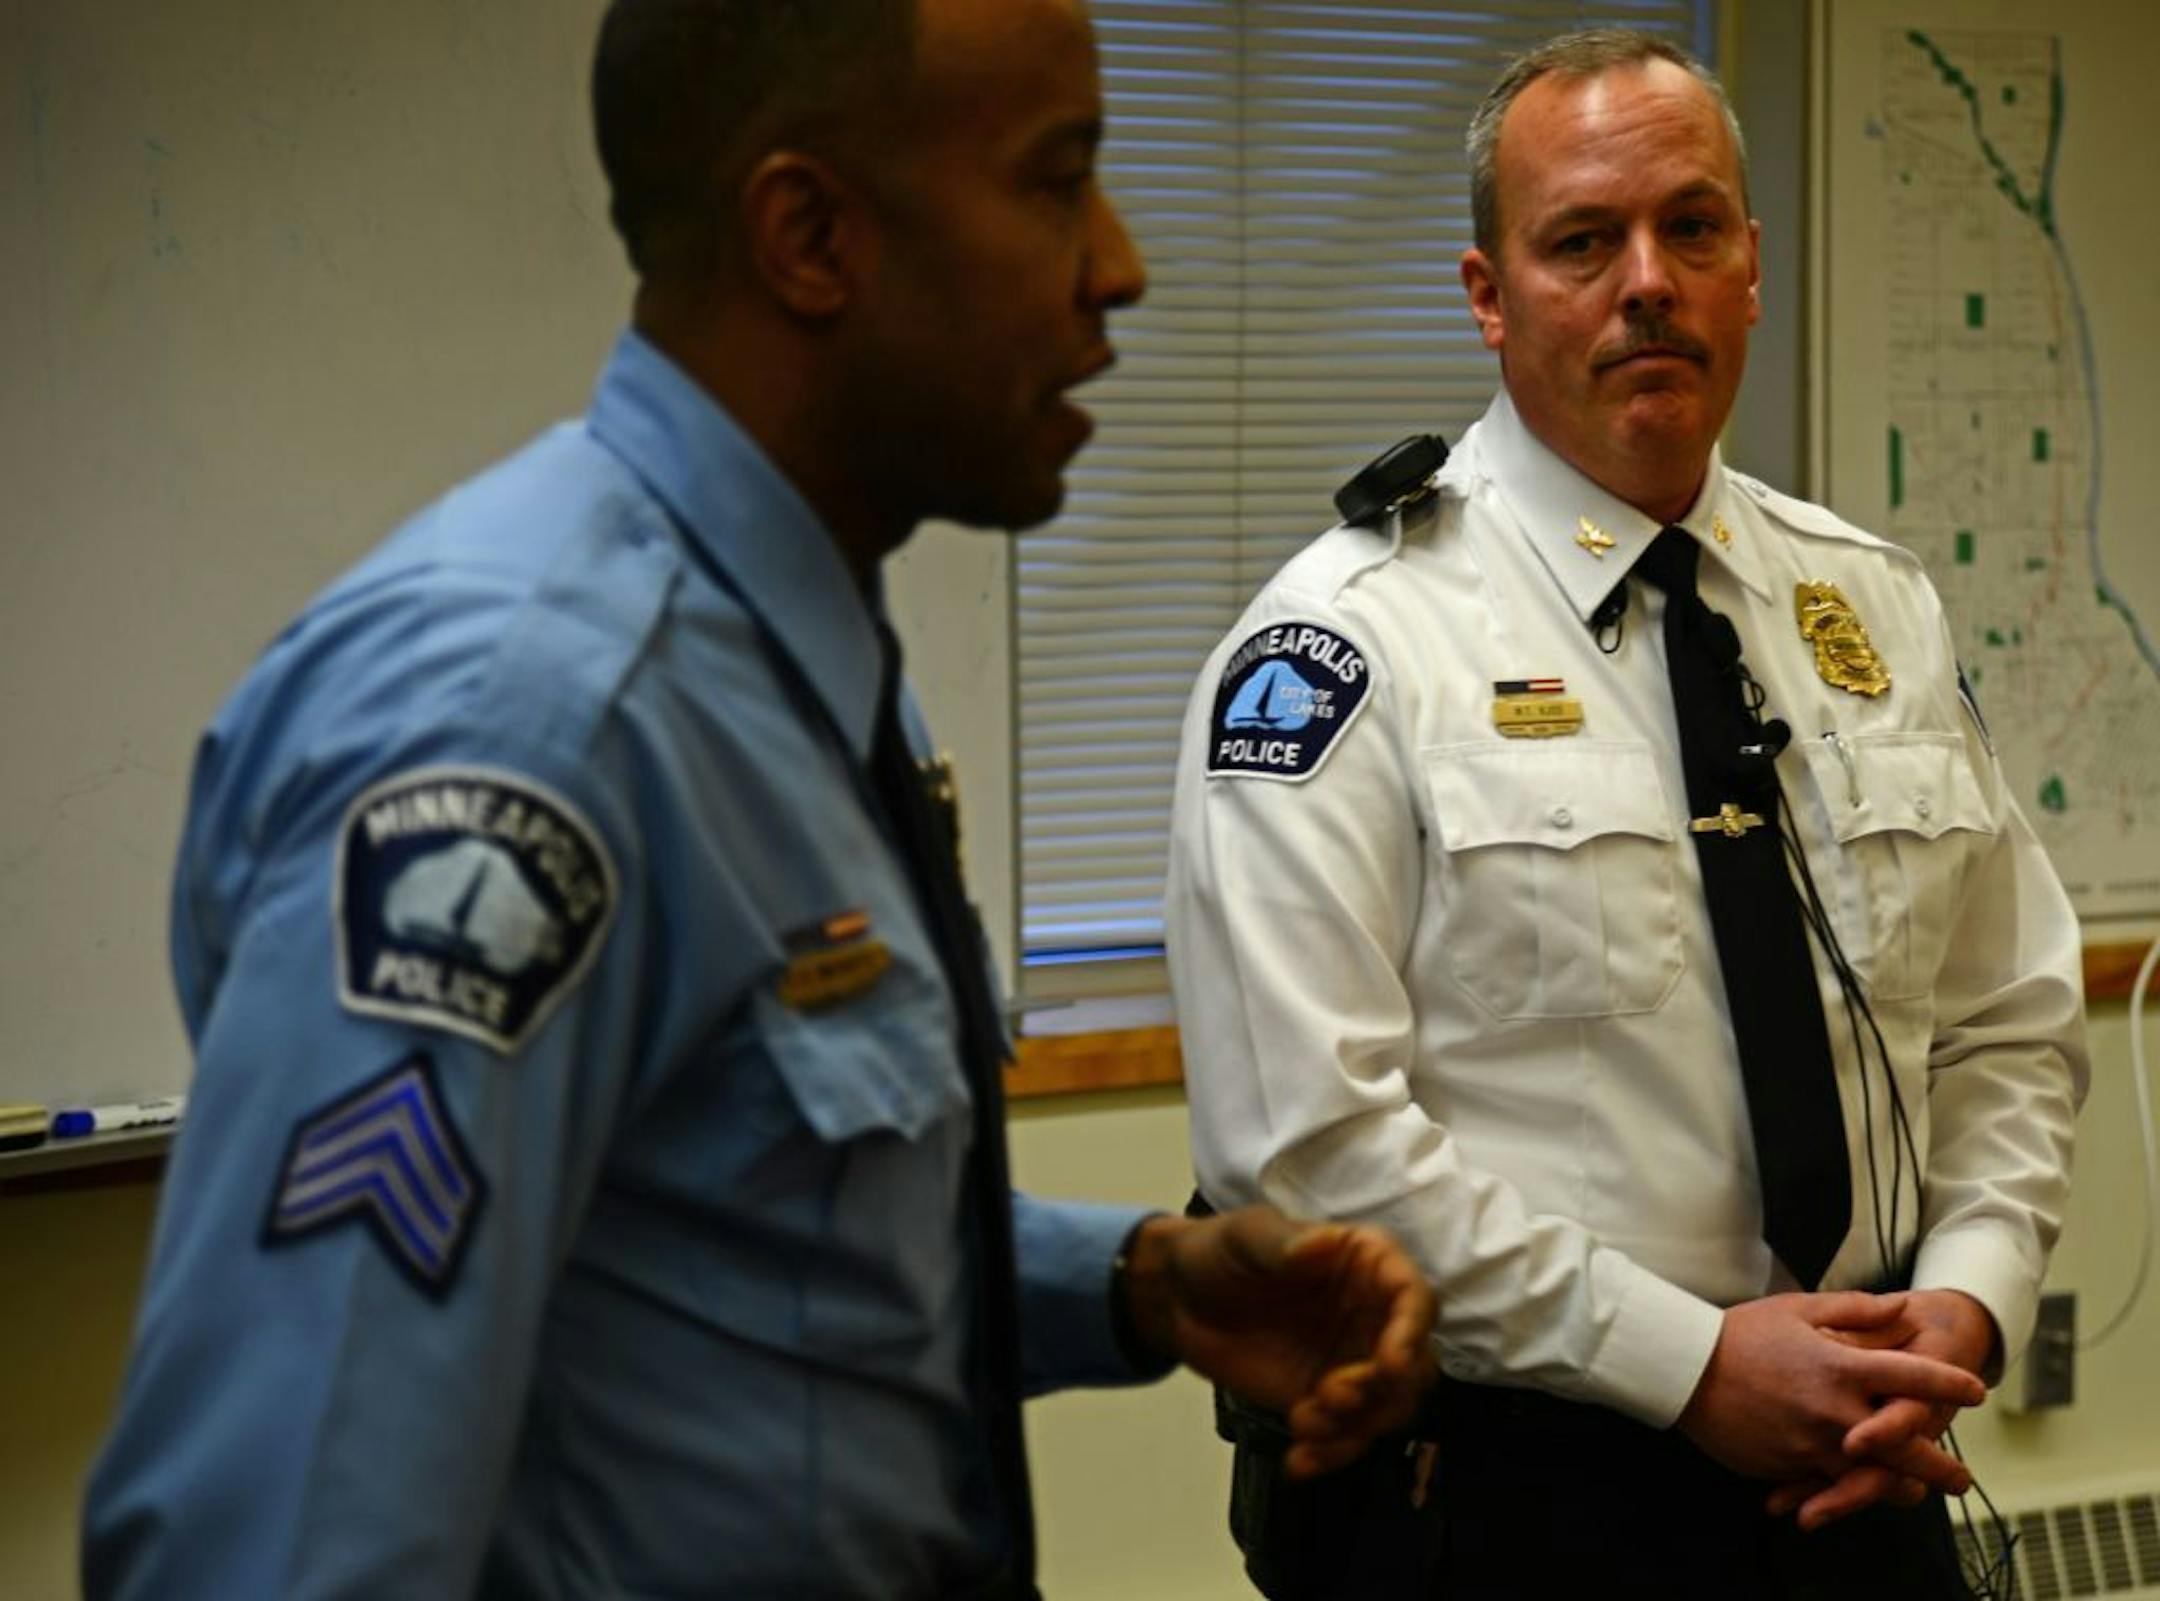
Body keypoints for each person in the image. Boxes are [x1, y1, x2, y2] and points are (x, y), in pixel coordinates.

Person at [79, 2, 1440, 1596]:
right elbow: (275, 1543)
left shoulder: (794, 653)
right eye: (1057, 179)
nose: (1118, 263)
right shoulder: (521, 728)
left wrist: (1141, 1286)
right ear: (810, 234)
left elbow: (731, 1233)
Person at [1166, 27, 2087, 1599]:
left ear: (1748, 268)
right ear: (1489, 293)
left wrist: (1973, 1292)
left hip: (1865, 1469)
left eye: (1693, 227)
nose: (1645, 280)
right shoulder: (1344, 648)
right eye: (1583, 241)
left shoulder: (1871, 604)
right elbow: (1302, 1153)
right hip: (1502, 1500)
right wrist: (1684, 1363)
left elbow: (2008, 1013)